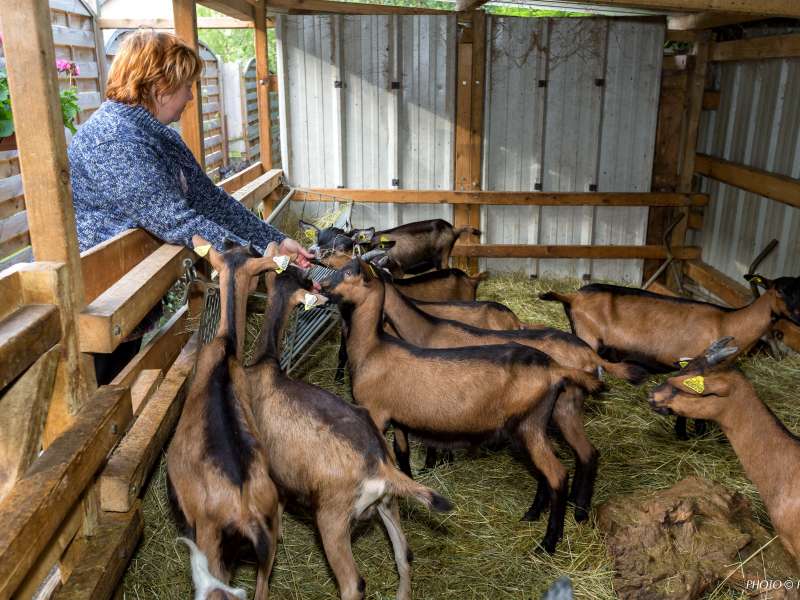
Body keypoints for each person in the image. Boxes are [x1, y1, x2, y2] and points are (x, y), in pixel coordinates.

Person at [68, 30, 312, 383]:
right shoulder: (113, 141)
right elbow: (176, 219)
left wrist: (273, 239)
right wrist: (264, 255)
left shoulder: (157, 134)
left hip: (125, 293)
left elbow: (209, 201)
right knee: (98, 394)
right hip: (99, 301)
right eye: (186, 85)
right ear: (158, 86)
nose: (191, 96)